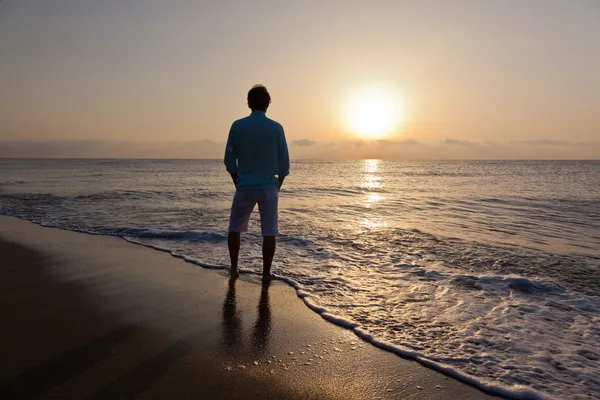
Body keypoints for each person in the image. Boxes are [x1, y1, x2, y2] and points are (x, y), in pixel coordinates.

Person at [224, 85, 290, 281]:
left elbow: (229, 159)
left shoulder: (237, 125)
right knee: (269, 231)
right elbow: (284, 161)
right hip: (268, 187)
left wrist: (237, 179)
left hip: (244, 185)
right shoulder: (276, 128)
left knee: (235, 228)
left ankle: (234, 267)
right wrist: (278, 185)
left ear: (248, 103)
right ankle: (266, 273)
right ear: (268, 103)